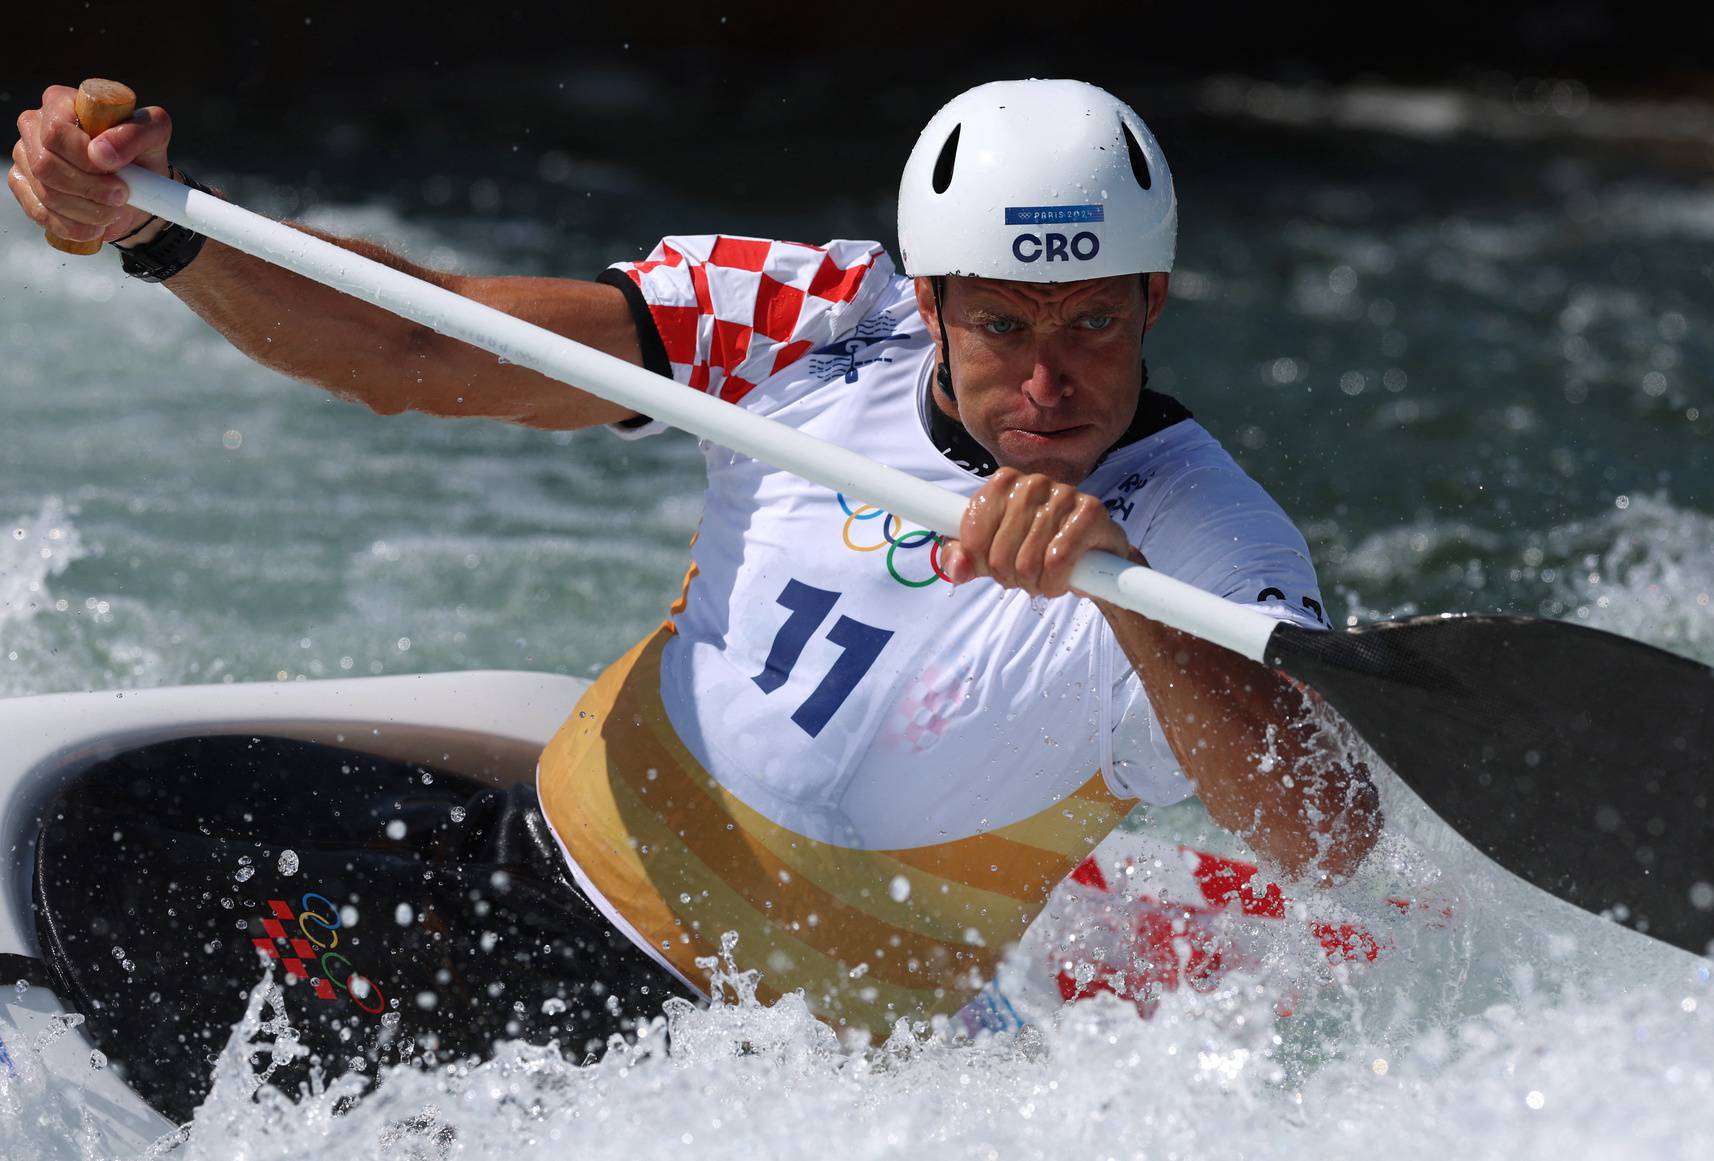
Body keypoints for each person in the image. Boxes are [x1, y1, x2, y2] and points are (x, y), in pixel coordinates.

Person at [9, 77, 1380, 1110]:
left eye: (1093, 321)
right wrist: (155, 230)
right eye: (1003, 324)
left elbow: (1331, 832)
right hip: (515, 866)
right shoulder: (824, 318)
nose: (1048, 382)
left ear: (1153, 296)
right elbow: (420, 345)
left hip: (728, 1076)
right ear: (935, 292)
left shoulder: (1209, 547)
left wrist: (1128, 602)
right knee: (107, 827)